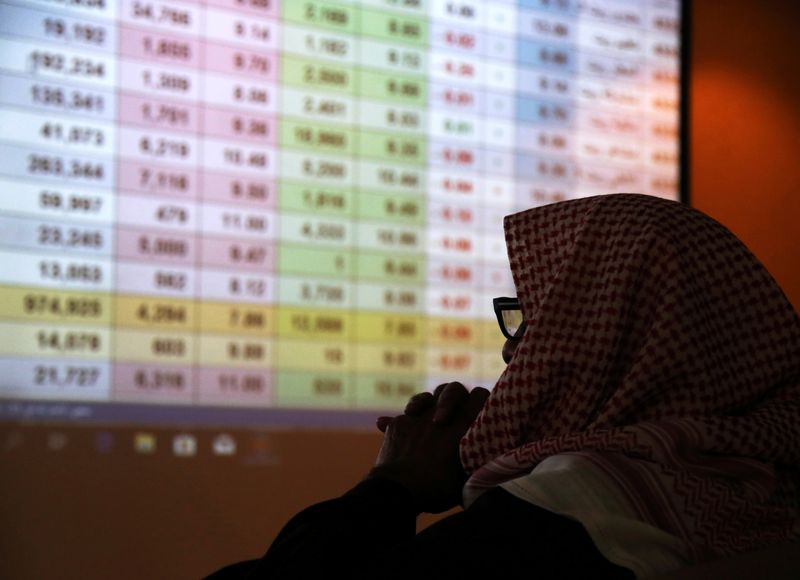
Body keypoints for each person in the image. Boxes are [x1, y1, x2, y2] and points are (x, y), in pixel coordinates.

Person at [208, 194, 800, 579]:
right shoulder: (751, 492)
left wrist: (393, 485)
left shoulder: (582, 507)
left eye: (537, 317)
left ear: (605, 337)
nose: (514, 350)